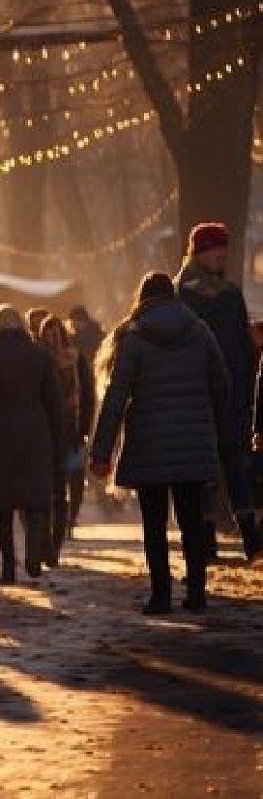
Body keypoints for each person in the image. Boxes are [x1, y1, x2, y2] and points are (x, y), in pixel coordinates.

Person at [90, 273, 229, 613]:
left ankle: (161, 595)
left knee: (154, 524)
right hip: (193, 441)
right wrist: (212, 425)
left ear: (143, 298)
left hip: (149, 442)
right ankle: (196, 594)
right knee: (192, 522)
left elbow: (116, 397)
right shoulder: (200, 332)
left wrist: (101, 451)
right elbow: (222, 384)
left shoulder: (134, 337)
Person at [175, 222, 263, 563]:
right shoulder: (185, 294)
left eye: (224, 248)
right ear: (199, 251)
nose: (222, 254)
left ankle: (249, 539)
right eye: (215, 248)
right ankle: (211, 541)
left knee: (234, 467)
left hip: (231, 396)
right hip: (200, 396)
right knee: (208, 472)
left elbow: (241, 346)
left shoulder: (229, 292)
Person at [0, 305, 65, 585]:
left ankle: (9, 566)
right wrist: (59, 443)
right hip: (35, 434)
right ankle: (34, 557)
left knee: (3, 504)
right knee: (35, 500)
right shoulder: (40, 356)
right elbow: (54, 405)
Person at [38, 315, 96, 561]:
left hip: (70, 431)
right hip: (44, 433)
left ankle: (57, 542)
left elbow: (88, 394)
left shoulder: (75, 358)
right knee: (47, 491)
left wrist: (83, 427)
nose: (52, 338)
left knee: (65, 489)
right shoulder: (39, 359)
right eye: (47, 333)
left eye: (56, 332)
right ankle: (46, 544)